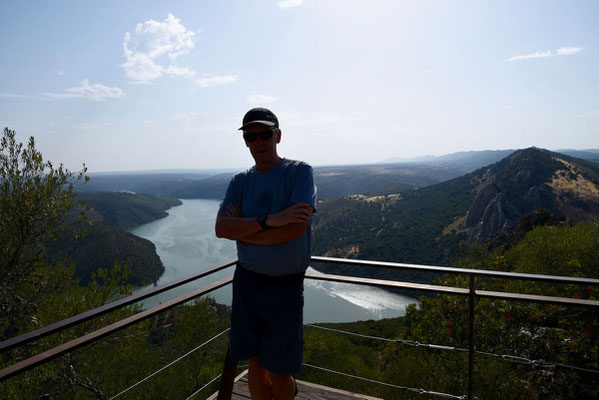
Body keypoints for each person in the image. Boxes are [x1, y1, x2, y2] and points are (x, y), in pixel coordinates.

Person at [215, 108, 317, 400]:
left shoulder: (299, 172)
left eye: (265, 134)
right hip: (247, 282)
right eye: (250, 136)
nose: (258, 141)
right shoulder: (240, 181)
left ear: (278, 136)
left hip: (284, 287)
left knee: (280, 369)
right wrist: (270, 219)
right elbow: (222, 228)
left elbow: (295, 229)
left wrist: (245, 232)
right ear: (246, 141)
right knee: (255, 363)